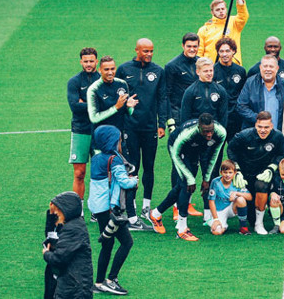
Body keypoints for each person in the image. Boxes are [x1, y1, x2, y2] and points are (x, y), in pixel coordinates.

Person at [147, 114, 226, 241]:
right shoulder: (187, 133)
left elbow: (213, 156)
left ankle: (155, 214)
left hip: (195, 150)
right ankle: (182, 229)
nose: (210, 134)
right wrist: (190, 179)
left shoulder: (221, 132)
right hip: (177, 148)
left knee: (181, 186)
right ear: (199, 127)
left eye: (211, 130)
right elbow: (175, 153)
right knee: (186, 185)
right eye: (206, 131)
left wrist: (207, 179)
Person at [116, 39, 166, 227]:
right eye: (145, 50)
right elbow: (118, 97)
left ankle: (147, 206)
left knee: (149, 167)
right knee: (133, 168)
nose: (149, 54)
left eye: (151, 51)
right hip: (130, 127)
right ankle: (132, 207)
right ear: (136, 50)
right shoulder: (124, 69)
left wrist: (161, 123)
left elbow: (162, 98)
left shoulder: (158, 71)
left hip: (149, 127)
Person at [87, 126, 137, 294]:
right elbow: (124, 182)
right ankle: (111, 279)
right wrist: (134, 181)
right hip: (110, 210)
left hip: (99, 209)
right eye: (118, 140)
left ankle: (99, 283)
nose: (120, 143)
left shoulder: (96, 158)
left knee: (107, 245)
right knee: (127, 242)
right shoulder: (114, 159)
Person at [227, 112, 284, 234]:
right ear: (256, 125)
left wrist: (271, 168)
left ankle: (259, 224)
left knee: (262, 186)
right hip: (246, 173)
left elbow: (281, 154)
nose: (263, 130)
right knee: (250, 215)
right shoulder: (244, 136)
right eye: (260, 127)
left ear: (271, 126)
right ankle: (249, 218)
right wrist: (237, 170)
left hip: (264, 173)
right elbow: (231, 149)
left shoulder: (278, 137)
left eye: (266, 127)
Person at [43, 191, 93, 299]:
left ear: (66, 210)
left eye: (58, 210)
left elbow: (58, 259)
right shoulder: (72, 225)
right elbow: (51, 237)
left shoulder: (72, 229)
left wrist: (46, 254)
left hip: (74, 290)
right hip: (71, 285)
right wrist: (51, 216)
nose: (56, 213)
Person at [66, 47, 99, 201]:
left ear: (96, 61)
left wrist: (84, 103)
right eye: (85, 61)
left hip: (100, 130)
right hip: (81, 130)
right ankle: (78, 210)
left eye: (91, 61)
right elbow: (74, 107)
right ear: (80, 62)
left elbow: (109, 104)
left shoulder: (102, 79)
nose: (88, 64)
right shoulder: (74, 81)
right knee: (79, 173)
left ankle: (98, 209)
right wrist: (97, 104)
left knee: (101, 173)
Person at [236, 54, 284, 130]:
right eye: (265, 66)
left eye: (271, 66)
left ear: (277, 68)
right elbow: (241, 106)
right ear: (260, 67)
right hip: (255, 133)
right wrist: (258, 119)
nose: (268, 69)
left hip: (279, 134)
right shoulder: (250, 83)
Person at [88, 56, 138, 135]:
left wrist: (129, 107)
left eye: (112, 69)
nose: (110, 72)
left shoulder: (122, 84)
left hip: (120, 134)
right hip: (102, 136)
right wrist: (116, 107)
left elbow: (129, 113)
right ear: (100, 70)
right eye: (106, 69)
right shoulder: (94, 89)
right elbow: (94, 118)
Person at [197, 0, 248, 66]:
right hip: (212, 68)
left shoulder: (234, 22)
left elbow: (243, 15)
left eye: (223, 9)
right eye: (217, 10)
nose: (221, 11)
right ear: (212, 12)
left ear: (226, 9)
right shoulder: (204, 29)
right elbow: (199, 52)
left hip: (232, 65)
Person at [180, 58, 229, 132]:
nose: (209, 74)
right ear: (198, 72)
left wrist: (220, 132)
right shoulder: (190, 91)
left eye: (211, 70)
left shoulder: (221, 90)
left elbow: (223, 116)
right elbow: (185, 117)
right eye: (205, 71)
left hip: (214, 132)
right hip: (196, 131)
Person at [212, 37, 247, 140]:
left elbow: (243, 94)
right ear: (218, 53)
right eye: (221, 51)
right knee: (217, 150)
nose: (224, 54)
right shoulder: (213, 71)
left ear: (234, 52)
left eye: (227, 51)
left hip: (236, 118)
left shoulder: (240, 71)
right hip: (218, 118)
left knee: (237, 151)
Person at [207, 160, 252, 235]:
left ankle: (243, 227)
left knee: (241, 199)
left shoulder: (237, 181)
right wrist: (216, 219)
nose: (228, 175)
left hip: (231, 208)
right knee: (217, 232)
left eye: (230, 172)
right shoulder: (215, 182)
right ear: (221, 172)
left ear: (234, 173)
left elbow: (250, 197)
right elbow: (211, 201)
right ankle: (218, 223)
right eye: (225, 172)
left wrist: (236, 193)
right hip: (219, 211)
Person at [165, 33, 199, 124]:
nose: (192, 49)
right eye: (189, 46)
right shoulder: (172, 66)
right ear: (183, 46)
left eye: (195, 46)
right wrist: (170, 119)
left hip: (197, 112)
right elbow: (166, 94)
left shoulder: (201, 64)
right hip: (179, 114)